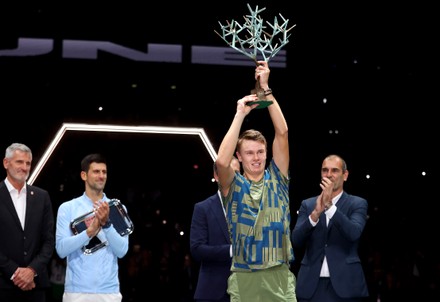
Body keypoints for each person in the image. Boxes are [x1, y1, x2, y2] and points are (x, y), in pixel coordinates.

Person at [216, 60, 296, 301]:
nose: (256, 157)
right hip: (244, 277)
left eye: (260, 152)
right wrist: (240, 114)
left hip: (279, 276)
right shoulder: (233, 185)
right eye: (249, 153)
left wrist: (267, 88)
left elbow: (282, 132)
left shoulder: (278, 178)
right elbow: (221, 162)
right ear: (239, 157)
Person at [291, 154, 369, 302]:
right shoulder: (308, 205)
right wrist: (315, 214)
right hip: (311, 286)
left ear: (345, 175)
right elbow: (296, 240)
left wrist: (329, 207)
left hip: (346, 286)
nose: (329, 175)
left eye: (335, 170)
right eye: (325, 170)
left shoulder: (357, 203)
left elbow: (353, 233)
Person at [55, 153, 129, 302]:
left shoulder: (117, 208)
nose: (101, 176)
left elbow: (122, 251)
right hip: (76, 292)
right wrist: (89, 232)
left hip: (109, 292)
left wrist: (107, 225)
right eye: (96, 171)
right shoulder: (68, 208)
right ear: (84, 175)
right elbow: (61, 250)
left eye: (104, 172)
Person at [0, 142, 55, 302]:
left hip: (35, 285)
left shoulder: (42, 196)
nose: (24, 167)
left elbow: (49, 240)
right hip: (2, 285)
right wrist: (14, 272)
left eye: (28, 163)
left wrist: (32, 270)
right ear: (6, 163)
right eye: (19, 161)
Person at [190, 157, 241, 302]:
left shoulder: (252, 207)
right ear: (216, 176)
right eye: (227, 172)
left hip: (248, 291)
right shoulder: (203, 208)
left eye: (236, 173)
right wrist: (231, 250)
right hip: (213, 292)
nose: (232, 177)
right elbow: (197, 249)